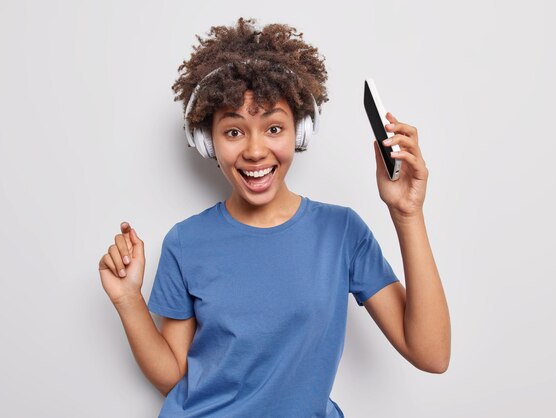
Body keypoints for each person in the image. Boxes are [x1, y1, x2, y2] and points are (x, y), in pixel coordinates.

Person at [98, 17, 450, 418]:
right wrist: (128, 300)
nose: (254, 150)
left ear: (299, 132)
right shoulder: (185, 242)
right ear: (206, 139)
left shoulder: (341, 232)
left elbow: (432, 354)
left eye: (273, 128)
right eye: (233, 131)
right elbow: (174, 376)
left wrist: (407, 214)